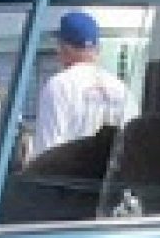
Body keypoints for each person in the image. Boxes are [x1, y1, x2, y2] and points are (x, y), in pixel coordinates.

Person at [31, 10, 127, 158]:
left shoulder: (58, 86)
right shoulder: (120, 88)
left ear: (65, 48)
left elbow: (46, 153)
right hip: (107, 179)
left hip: (67, 178)